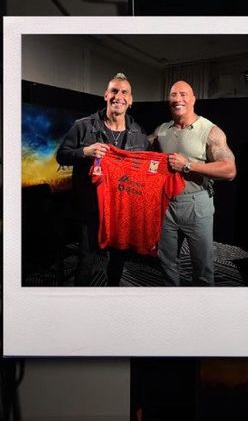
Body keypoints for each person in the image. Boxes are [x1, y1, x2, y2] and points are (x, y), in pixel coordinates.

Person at [56, 72, 150, 286]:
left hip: (120, 210)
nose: (119, 96)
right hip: (90, 206)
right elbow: (61, 155)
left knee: (118, 258)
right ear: (106, 95)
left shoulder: (138, 133)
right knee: (86, 259)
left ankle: (112, 295)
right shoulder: (83, 126)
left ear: (131, 100)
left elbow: (143, 168)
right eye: (114, 91)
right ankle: (80, 300)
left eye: (124, 92)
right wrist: (85, 151)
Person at [151, 80, 236, 286]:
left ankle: (202, 303)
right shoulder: (162, 130)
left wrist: (188, 165)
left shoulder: (210, 131)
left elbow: (230, 170)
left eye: (183, 94)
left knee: (202, 266)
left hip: (196, 205)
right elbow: (139, 151)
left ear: (193, 99)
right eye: (173, 94)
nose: (178, 99)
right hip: (166, 204)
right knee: (167, 262)